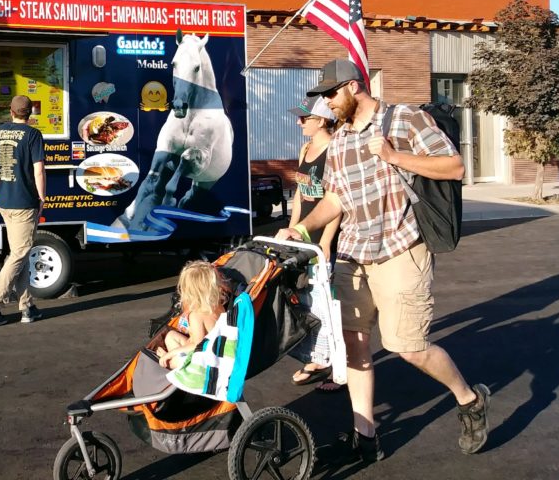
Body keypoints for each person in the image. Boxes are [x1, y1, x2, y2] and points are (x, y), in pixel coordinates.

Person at [277, 58, 490, 465]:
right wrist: (302, 230)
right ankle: (366, 435)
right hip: (353, 253)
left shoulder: (404, 119)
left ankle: (469, 398)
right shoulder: (338, 141)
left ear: (355, 87)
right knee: (354, 346)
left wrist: (395, 157)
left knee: (407, 347)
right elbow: (335, 198)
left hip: (401, 249)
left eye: (330, 94)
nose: (326, 104)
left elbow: (454, 166)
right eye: (322, 96)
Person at [285, 95, 343, 392]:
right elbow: (299, 193)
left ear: (322, 120)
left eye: (304, 118)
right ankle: (320, 357)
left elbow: (337, 201)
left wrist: (328, 242)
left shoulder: (335, 150)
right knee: (308, 298)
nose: (299, 122)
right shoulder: (306, 148)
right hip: (305, 236)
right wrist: (293, 228)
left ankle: (334, 366)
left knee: (327, 302)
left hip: (325, 236)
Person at [0, 95, 47, 326]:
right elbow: (39, 170)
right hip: (24, 203)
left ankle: (27, 307)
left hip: (5, 201)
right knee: (19, 254)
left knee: (21, 253)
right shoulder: (33, 135)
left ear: (11, 111)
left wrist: (1, 182)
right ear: (30, 113)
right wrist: (42, 197)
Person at [156, 260, 228, 369]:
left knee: (174, 361)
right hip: (215, 351)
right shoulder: (218, 305)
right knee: (171, 336)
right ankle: (174, 357)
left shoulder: (196, 315)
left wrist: (169, 355)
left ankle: (171, 364)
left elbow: (197, 345)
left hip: (205, 360)